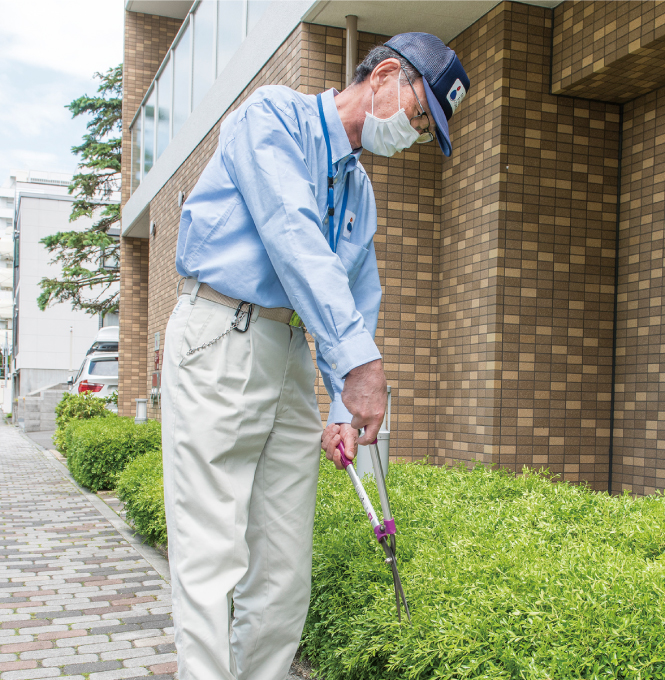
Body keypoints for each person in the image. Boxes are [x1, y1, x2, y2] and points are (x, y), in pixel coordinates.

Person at [161, 33, 470, 680]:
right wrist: (360, 368)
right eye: (419, 116)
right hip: (220, 333)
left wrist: (338, 406)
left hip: (291, 358)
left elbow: (360, 296)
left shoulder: (360, 194)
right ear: (385, 75)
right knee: (210, 557)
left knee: (282, 573)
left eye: (424, 130)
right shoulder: (272, 118)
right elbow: (290, 233)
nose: (413, 136)